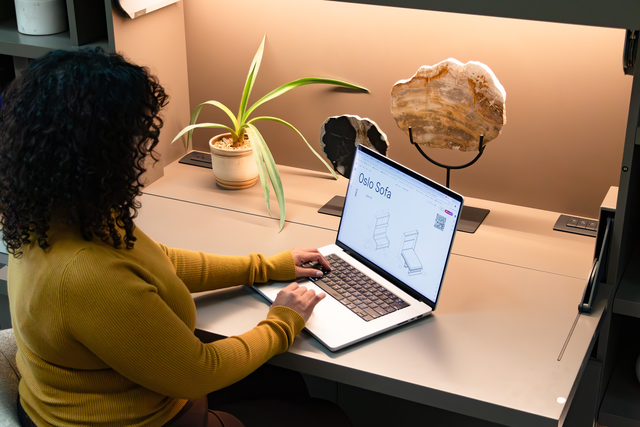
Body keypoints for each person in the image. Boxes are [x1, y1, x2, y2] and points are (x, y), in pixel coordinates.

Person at [0, 48, 351, 427]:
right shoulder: (85, 274)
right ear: (101, 152)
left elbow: (158, 259)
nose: (142, 149)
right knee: (328, 417)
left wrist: (266, 267)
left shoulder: (54, 215)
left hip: (116, 391)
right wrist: (284, 320)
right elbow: (200, 370)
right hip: (137, 420)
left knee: (283, 380)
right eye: (136, 137)